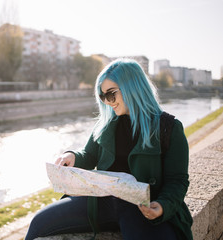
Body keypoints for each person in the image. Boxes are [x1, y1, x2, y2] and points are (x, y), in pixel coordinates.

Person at [25, 59, 193, 240]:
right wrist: (72, 156)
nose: (107, 102)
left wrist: (162, 206)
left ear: (132, 88)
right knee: (39, 223)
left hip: (141, 208)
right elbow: (89, 154)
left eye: (111, 94)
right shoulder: (105, 124)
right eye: (103, 96)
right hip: (100, 203)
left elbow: (177, 180)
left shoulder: (169, 128)